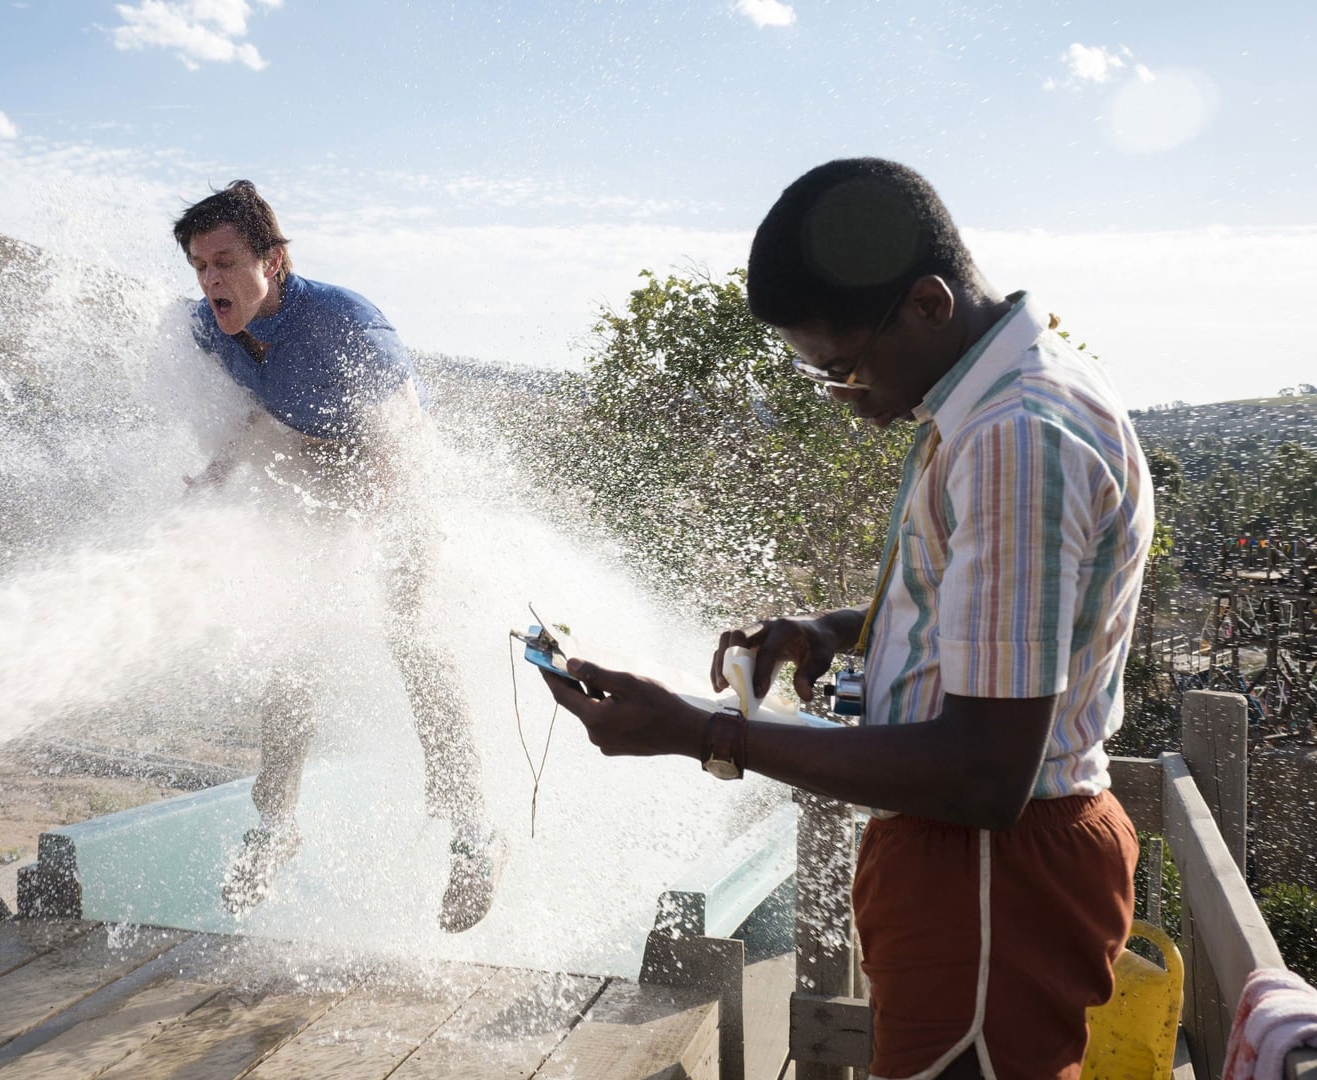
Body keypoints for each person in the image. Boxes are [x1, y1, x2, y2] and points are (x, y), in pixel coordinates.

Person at [543, 159, 1151, 1078]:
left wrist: (705, 732)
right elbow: (994, 617)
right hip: (981, 869)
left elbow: (985, 771)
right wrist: (834, 629)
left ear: (929, 305)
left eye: (846, 367)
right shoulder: (1000, 399)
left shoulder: (1017, 438)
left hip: (992, 873)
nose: (853, 405)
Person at [174, 180, 505, 934]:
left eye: (226, 261)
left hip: (398, 472)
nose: (211, 280)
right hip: (311, 462)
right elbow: (249, 406)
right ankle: (275, 826)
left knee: (412, 639)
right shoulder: (208, 327)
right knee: (295, 647)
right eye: (199, 266)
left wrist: (365, 523)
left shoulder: (346, 324)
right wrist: (216, 475)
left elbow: (400, 441)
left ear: (275, 260)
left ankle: (473, 838)